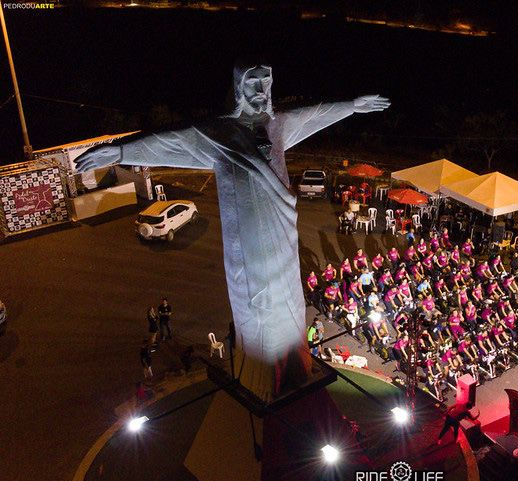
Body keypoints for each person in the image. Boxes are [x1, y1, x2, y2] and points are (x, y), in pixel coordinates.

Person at [75, 62, 390, 402]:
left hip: (283, 234)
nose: (261, 90)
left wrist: (352, 106)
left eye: (266, 81)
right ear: (238, 87)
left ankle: (293, 363)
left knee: (289, 298)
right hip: (250, 240)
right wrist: (121, 151)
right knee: (258, 299)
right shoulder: (219, 134)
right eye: (253, 82)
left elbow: (314, 114)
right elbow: (170, 141)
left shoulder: (278, 125)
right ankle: (263, 371)